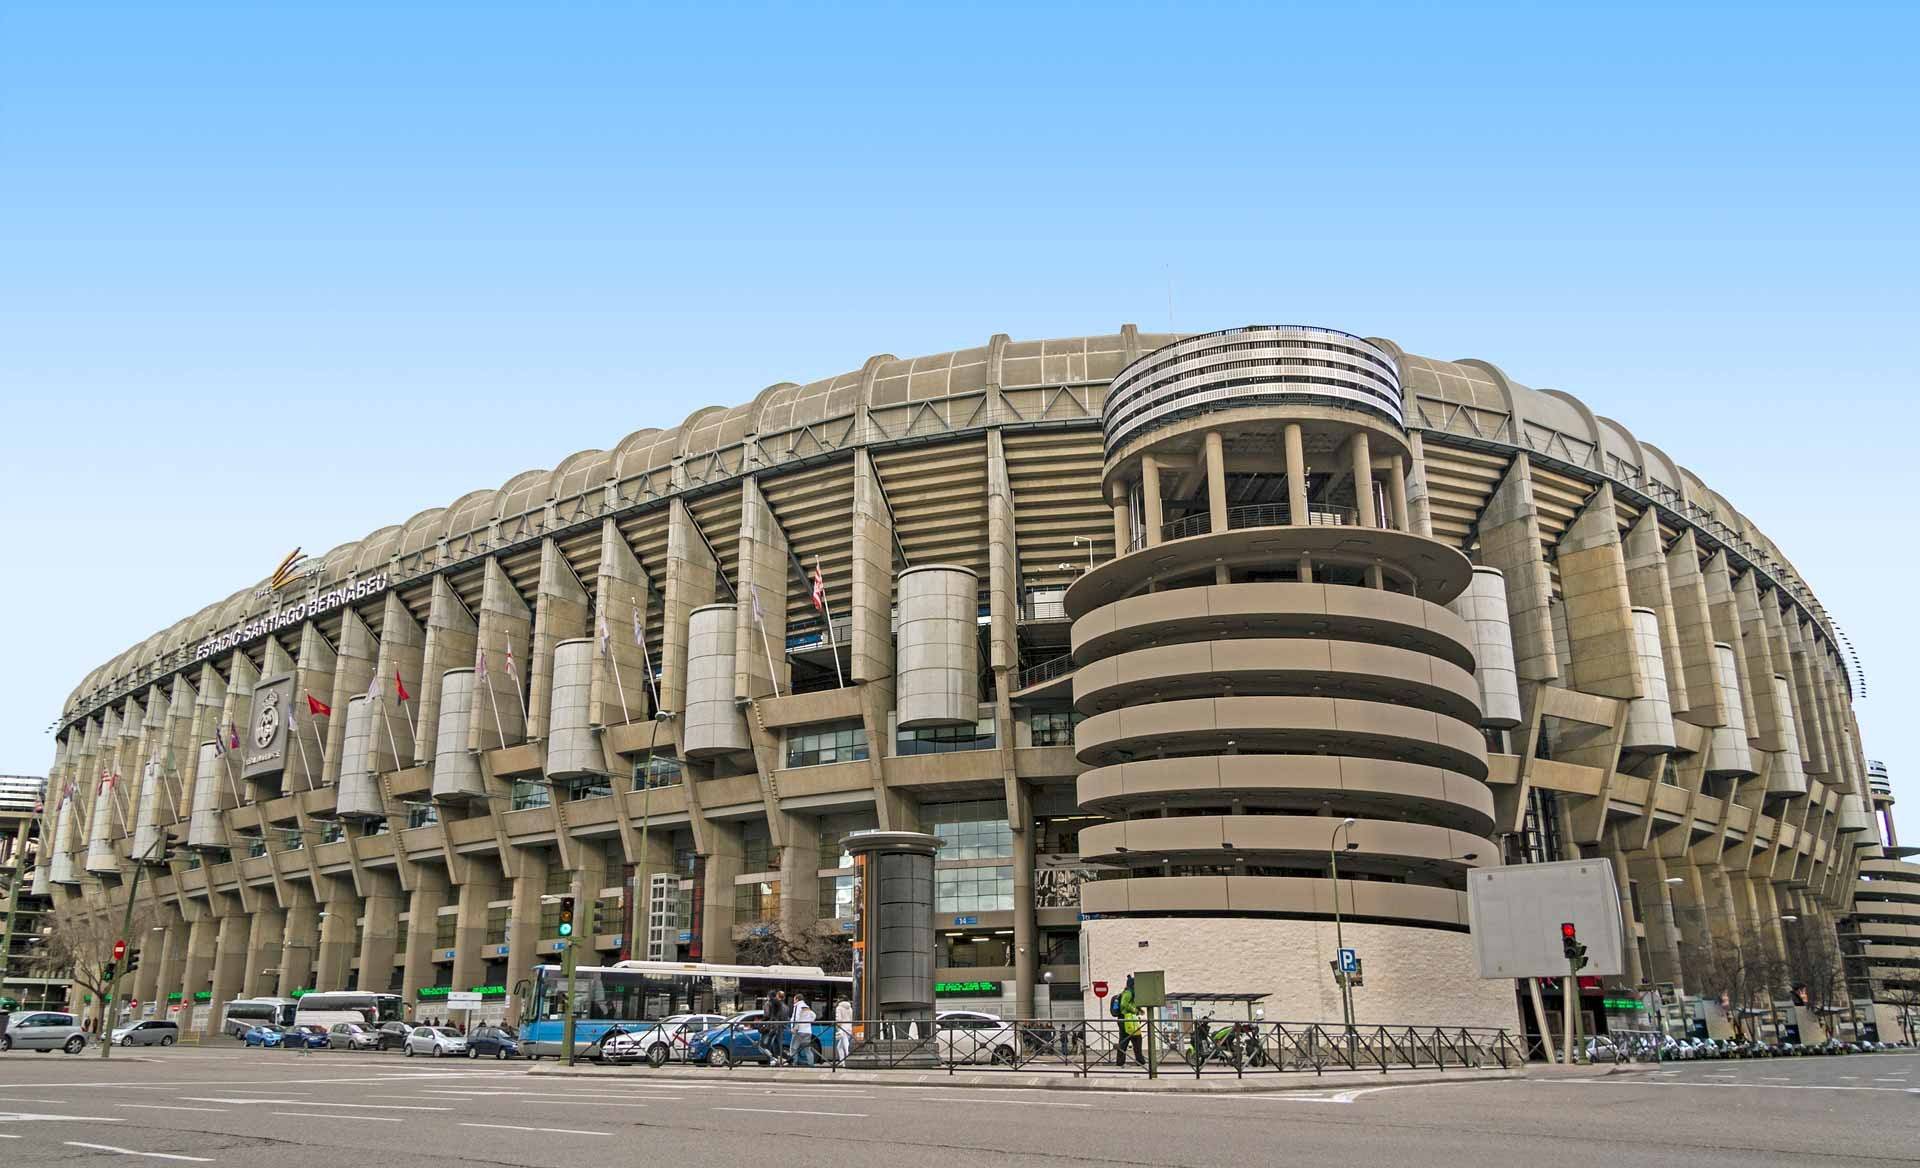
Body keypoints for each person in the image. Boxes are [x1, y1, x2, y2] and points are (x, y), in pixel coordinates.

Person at [1115, 975, 1144, 1066]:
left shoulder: (1126, 992)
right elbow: (1124, 1004)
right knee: (1136, 1039)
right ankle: (1140, 1060)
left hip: (1124, 1019)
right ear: (1133, 985)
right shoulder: (1129, 992)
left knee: (1124, 1040)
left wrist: (1139, 1010)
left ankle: (1120, 1062)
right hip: (1128, 1019)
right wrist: (1135, 1010)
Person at [790, 994, 816, 1066]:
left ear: (797, 999)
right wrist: (808, 1022)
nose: (794, 1001)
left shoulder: (797, 1006)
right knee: (807, 1049)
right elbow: (814, 1015)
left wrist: (793, 1027)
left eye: (794, 999)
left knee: (793, 1048)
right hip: (808, 1031)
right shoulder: (807, 1007)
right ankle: (811, 1064)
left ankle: (794, 1063)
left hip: (799, 1031)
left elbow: (796, 1017)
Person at [767, 990, 790, 1064]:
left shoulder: (777, 1005)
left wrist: (771, 1026)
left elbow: (775, 1016)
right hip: (782, 1027)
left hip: (776, 1027)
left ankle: (779, 1060)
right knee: (777, 1045)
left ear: (777, 996)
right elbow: (786, 1019)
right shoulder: (786, 1007)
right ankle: (779, 1060)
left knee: (770, 1044)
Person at [833, 996, 852, 1065]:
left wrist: (838, 1027)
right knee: (839, 1046)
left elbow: (838, 1019)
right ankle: (842, 1061)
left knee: (845, 1045)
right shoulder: (850, 1008)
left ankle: (848, 1061)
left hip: (843, 1028)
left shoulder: (839, 1008)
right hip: (849, 1028)